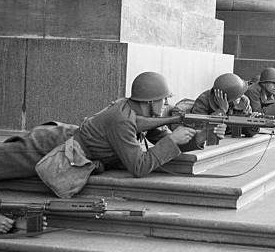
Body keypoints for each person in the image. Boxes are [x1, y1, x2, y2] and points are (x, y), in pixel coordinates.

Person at [72, 72, 226, 179]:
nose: (166, 105)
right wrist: (172, 139)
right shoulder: (122, 120)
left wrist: (201, 135)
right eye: (164, 100)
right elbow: (139, 167)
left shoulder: (144, 116)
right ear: (150, 102)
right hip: (68, 154)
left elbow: (163, 140)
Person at [191, 73, 258, 137]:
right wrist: (221, 110)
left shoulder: (244, 101)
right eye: (237, 96)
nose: (241, 97)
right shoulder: (203, 101)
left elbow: (246, 131)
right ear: (227, 98)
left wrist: (252, 124)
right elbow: (199, 130)